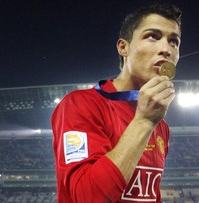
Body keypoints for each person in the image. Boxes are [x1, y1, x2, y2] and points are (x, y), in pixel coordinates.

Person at [51, 3, 181, 203]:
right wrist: (144, 122)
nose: (166, 49)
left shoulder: (161, 125)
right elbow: (88, 198)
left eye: (174, 41)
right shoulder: (81, 104)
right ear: (123, 47)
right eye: (152, 36)